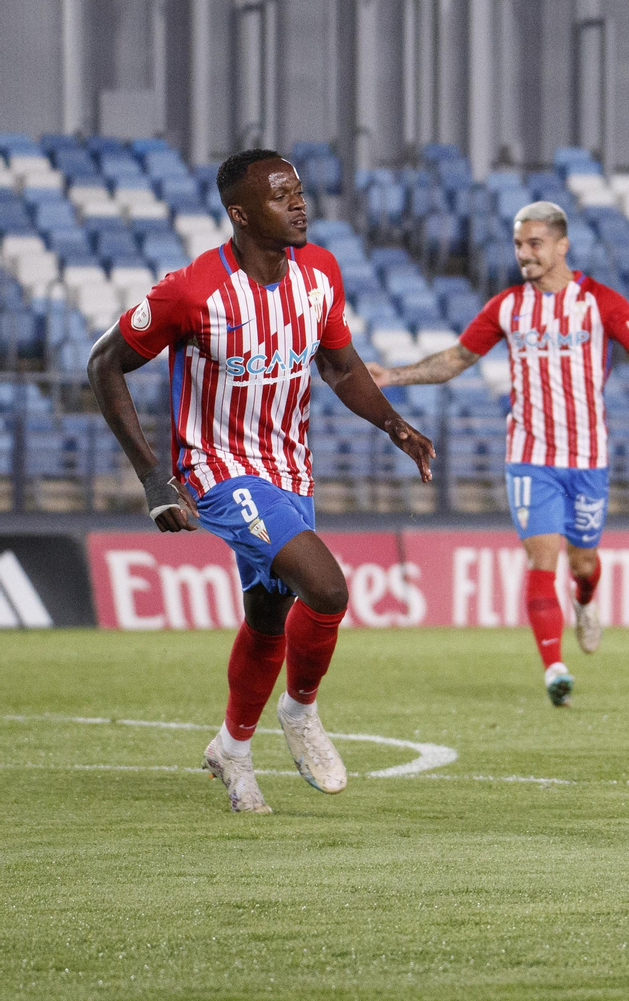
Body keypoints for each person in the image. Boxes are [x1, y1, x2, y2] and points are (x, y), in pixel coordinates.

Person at [87, 148, 435, 814]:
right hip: (216, 468)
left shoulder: (321, 274)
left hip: (289, 468)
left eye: (299, 190)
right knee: (327, 588)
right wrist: (155, 478)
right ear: (241, 214)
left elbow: (338, 366)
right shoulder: (192, 291)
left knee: (269, 613)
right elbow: (104, 365)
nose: (299, 203)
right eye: (282, 196)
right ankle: (300, 710)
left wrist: (393, 425)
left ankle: (232, 750)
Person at [368, 201, 629, 706]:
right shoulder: (507, 307)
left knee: (583, 562)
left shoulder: (600, 301)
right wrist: (394, 375)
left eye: (534, 243)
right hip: (529, 455)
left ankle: (585, 601)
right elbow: (456, 359)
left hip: (587, 458)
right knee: (543, 556)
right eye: (518, 244)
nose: (524, 254)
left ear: (562, 245)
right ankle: (554, 668)